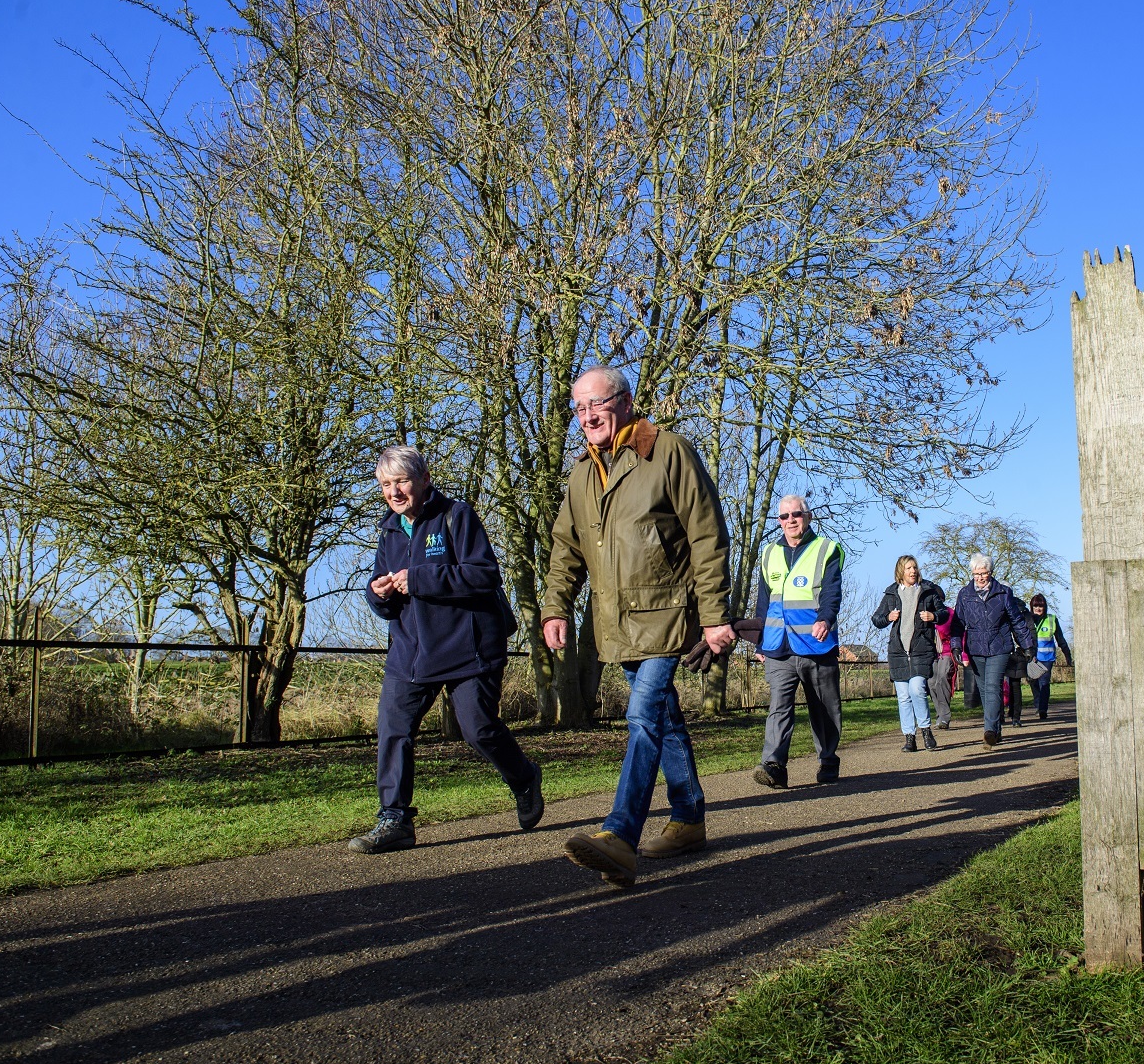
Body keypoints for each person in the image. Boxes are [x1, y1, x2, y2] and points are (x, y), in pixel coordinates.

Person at [542, 367, 736, 888]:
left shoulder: (668, 452)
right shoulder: (582, 474)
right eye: (578, 409)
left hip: (670, 616)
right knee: (664, 719)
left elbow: (707, 537)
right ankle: (689, 816)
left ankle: (620, 835)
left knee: (642, 716)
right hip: (616, 624)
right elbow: (568, 547)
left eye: (596, 405)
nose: (587, 417)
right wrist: (555, 607)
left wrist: (715, 616)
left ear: (624, 403)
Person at [353, 445, 543, 854]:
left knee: (478, 729)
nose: (394, 492)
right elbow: (383, 596)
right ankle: (394, 819)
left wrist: (419, 578)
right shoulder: (388, 530)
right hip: (410, 652)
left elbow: (483, 574)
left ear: (424, 479)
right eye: (386, 485)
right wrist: (377, 594)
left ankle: (524, 777)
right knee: (393, 728)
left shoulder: (456, 516)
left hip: (467, 647)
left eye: (401, 481)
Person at [751, 494, 845, 789]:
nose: (790, 520)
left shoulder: (826, 550)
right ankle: (774, 765)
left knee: (824, 707)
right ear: (779, 522)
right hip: (778, 645)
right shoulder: (768, 554)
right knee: (779, 705)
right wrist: (758, 643)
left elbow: (832, 593)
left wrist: (825, 619)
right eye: (784, 516)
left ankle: (828, 759)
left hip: (816, 644)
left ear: (808, 516)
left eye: (796, 514)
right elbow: (763, 602)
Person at [949, 552, 1034, 749]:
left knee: (993, 686)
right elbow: (958, 624)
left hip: (1000, 645)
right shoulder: (965, 594)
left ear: (991, 572)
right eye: (976, 573)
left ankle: (988, 731)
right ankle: (996, 729)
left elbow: (1016, 621)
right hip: (976, 647)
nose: (979, 577)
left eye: (983, 573)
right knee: (984, 690)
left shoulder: (1004, 593)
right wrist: (955, 646)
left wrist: (1027, 645)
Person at [871, 556, 946, 751]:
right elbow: (876, 619)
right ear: (901, 572)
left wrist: (934, 616)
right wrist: (888, 617)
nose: (913, 571)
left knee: (917, 689)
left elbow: (944, 613)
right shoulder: (891, 594)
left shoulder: (927, 591)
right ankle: (909, 738)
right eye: (908, 568)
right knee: (903, 696)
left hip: (921, 649)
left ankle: (926, 731)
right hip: (898, 651)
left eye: (914, 567)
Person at [1027, 593, 1073, 721]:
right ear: (1031, 607)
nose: (1038, 609)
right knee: (1032, 681)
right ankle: (1038, 704)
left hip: (1047, 657)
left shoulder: (1052, 619)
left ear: (1045, 607)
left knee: (1044, 683)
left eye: (1040, 606)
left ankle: (1042, 709)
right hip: (1031, 657)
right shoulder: (1027, 619)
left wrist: (1067, 656)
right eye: (1035, 606)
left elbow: (1060, 639)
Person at [1002, 593, 1033, 728]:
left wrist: (1029, 649)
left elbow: (1029, 631)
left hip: (1013, 651)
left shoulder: (1018, 609)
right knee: (1010, 686)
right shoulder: (1020, 608)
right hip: (1012, 651)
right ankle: (1013, 717)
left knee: (1011, 686)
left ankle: (1012, 716)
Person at [928, 603, 960, 730]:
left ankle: (945, 717)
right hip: (932, 653)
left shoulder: (950, 614)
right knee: (931, 682)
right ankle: (939, 714)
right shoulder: (925, 613)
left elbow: (958, 633)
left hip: (947, 652)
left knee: (942, 679)